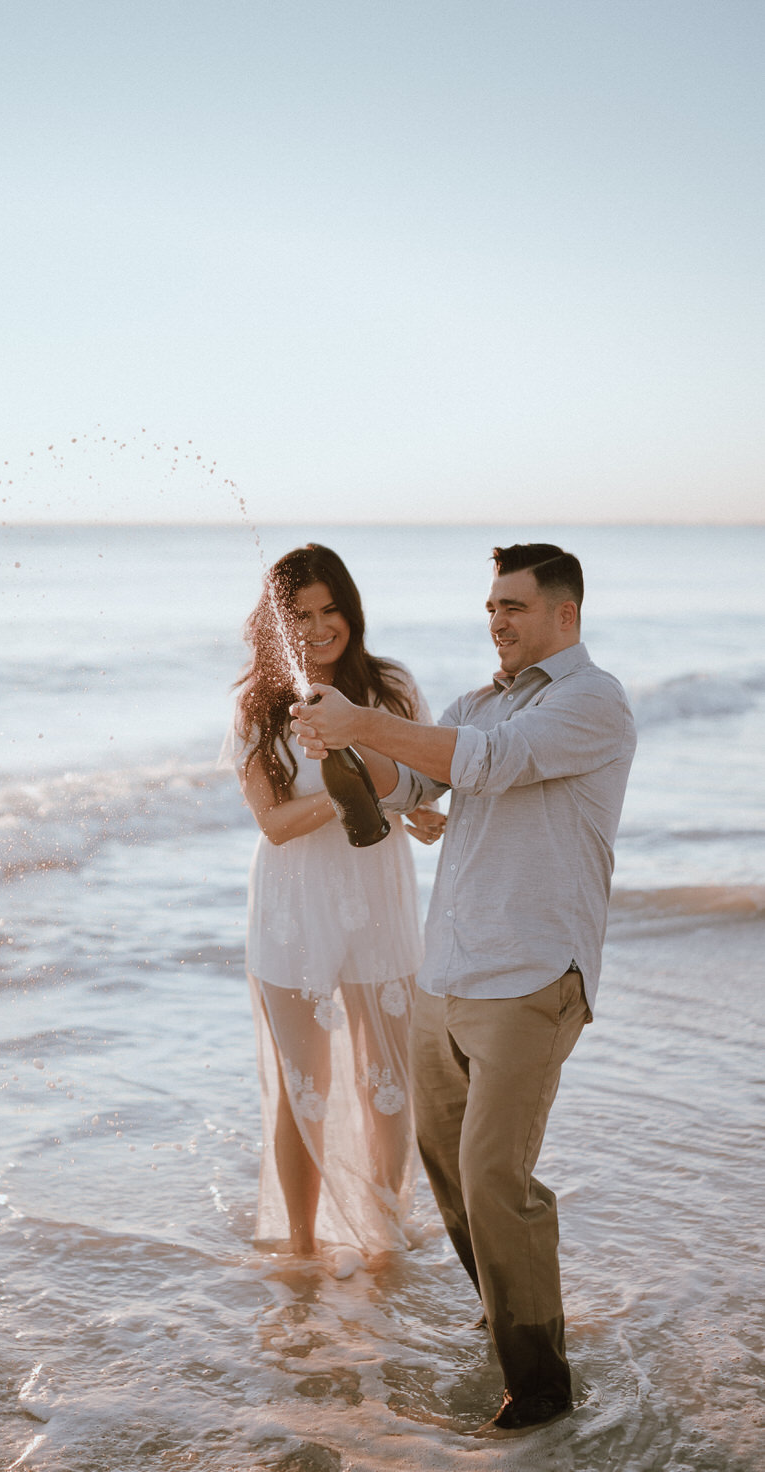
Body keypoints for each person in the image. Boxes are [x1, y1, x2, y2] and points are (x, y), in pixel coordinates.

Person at [291, 543, 636, 1433]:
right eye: (490, 607)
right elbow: (414, 781)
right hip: (444, 976)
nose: (496, 621)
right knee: (448, 1175)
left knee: (494, 1178)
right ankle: (507, 1306)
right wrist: (337, 742)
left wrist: (362, 720)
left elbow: (485, 762)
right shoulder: (472, 703)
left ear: (564, 614)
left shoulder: (590, 701)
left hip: (531, 978)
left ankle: (541, 1386)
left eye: (513, 607)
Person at [232, 543, 445, 1276]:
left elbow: (419, 781)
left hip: (376, 893)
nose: (321, 628)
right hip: (293, 906)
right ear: (277, 624)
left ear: (351, 612)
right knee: (306, 1087)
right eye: (302, 615)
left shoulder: (388, 687)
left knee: (386, 1081)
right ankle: (299, 1245)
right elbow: (272, 822)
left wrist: (408, 807)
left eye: (332, 611)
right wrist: (344, 789)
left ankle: (383, 1234)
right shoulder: (258, 707)